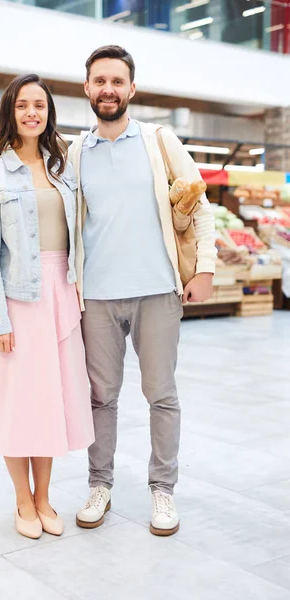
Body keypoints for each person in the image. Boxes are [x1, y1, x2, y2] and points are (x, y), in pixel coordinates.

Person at [69, 46, 216, 536]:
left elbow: (199, 204)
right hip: (98, 296)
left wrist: (205, 270)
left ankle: (163, 491)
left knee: (161, 395)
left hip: (157, 290)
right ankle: (100, 484)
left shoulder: (158, 139)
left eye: (117, 81)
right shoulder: (74, 153)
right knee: (100, 397)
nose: (108, 89)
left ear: (132, 89)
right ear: (86, 88)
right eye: (99, 80)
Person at [0, 74, 94, 540]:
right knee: (18, 403)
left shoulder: (62, 170)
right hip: (19, 298)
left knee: (52, 400)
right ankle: (22, 501)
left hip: (62, 292)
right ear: (10, 112)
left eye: (39, 105)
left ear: (49, 113)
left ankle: (45, 498)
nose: (31, 113)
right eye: (22, 105)